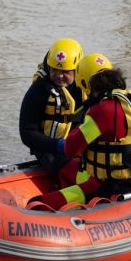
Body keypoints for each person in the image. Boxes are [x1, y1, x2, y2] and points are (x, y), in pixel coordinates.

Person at [36, 53, 131, 209]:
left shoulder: (102, 110)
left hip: (111, 185)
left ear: (87, 84)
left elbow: (70, 149)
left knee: (41, 202)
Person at [19, 38, 85, 181]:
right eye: (54, 70)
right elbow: (27, 133)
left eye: (65, 71)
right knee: (77, 174)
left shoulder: (85, 85)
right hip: (49, 148)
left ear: (77, 69)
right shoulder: (39, 90)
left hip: (79, 143)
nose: (59, 75)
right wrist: (59, 146)